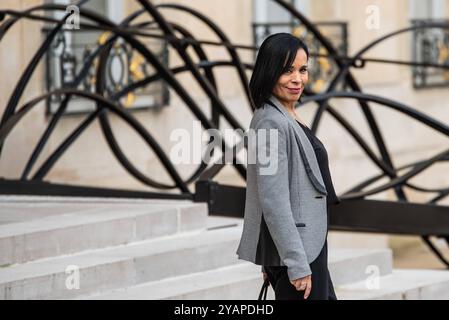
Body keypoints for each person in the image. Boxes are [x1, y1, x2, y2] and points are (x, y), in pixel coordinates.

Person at [236, 33, 340, 300]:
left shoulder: (284, 113)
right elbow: (273, 199)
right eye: (287, 70)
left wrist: (274, 255)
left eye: (302, 70)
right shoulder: (271, 123)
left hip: (308, 247)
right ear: (269, 72)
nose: (297, 79)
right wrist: (294, 263)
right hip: (301, 253)